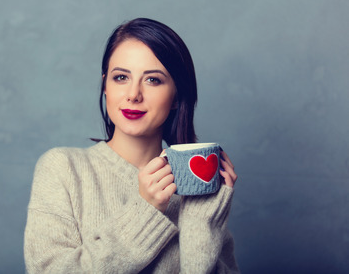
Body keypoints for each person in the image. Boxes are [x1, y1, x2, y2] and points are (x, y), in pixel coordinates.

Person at [24, 18, 239, 273]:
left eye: (153, 80)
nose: (133, 94)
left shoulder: (196, 186)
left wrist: (202, 225)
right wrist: (146, 211)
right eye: (121, 77)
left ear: (176, 97)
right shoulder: (62, 168)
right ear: (105, 85)